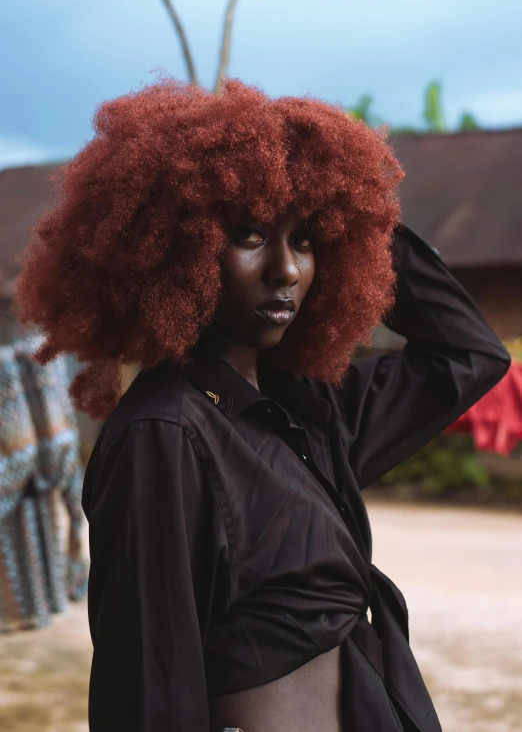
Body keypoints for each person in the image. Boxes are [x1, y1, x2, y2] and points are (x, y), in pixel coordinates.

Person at [14, 78, 510, 732]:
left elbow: (467, 356)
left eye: (305, 240)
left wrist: (361, 219)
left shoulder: (310, 415)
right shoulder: (165, 433)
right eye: (250, 234)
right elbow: (147, 683)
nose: (285, 269)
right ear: (173, 250)